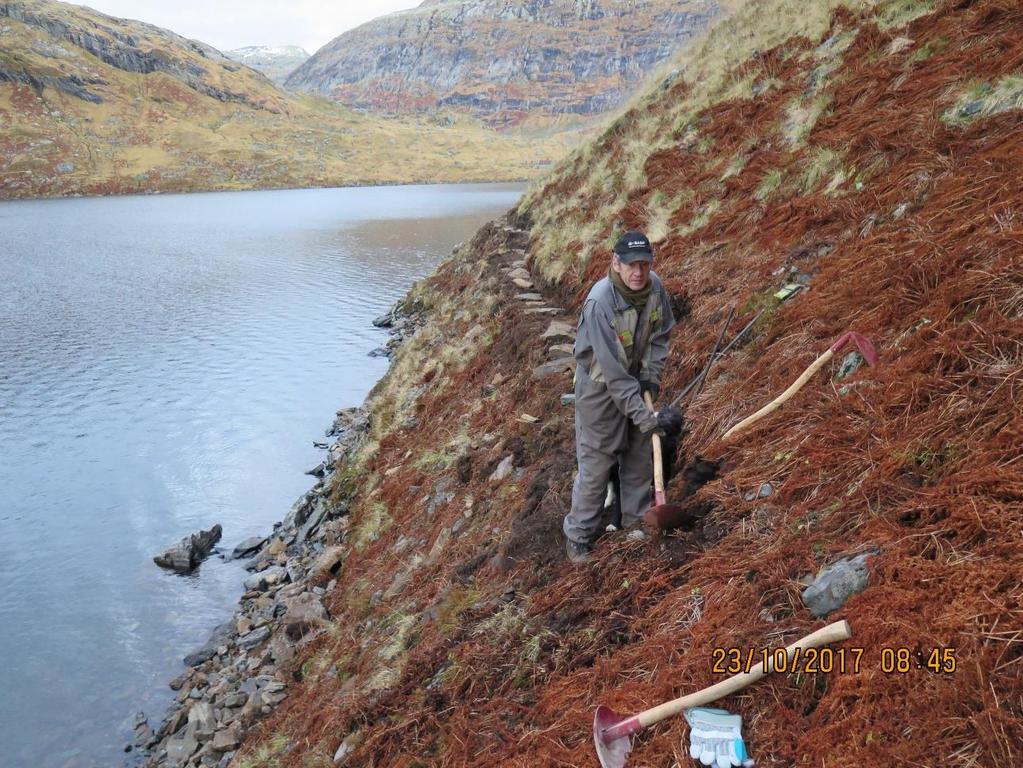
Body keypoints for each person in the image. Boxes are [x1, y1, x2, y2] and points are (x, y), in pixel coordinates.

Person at [563, 230, 683, 563]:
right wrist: (644, 415)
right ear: (616, 263)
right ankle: (579, 536)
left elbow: (660, 337)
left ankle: (635, 521)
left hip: (635, 382)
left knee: (638, 456)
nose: (638, 273)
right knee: (597, 464)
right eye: (631, 265)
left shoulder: (655, 288)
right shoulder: (600, 303)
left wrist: (651, 379)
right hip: (601, 391)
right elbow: (613, 375)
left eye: (644, 264)